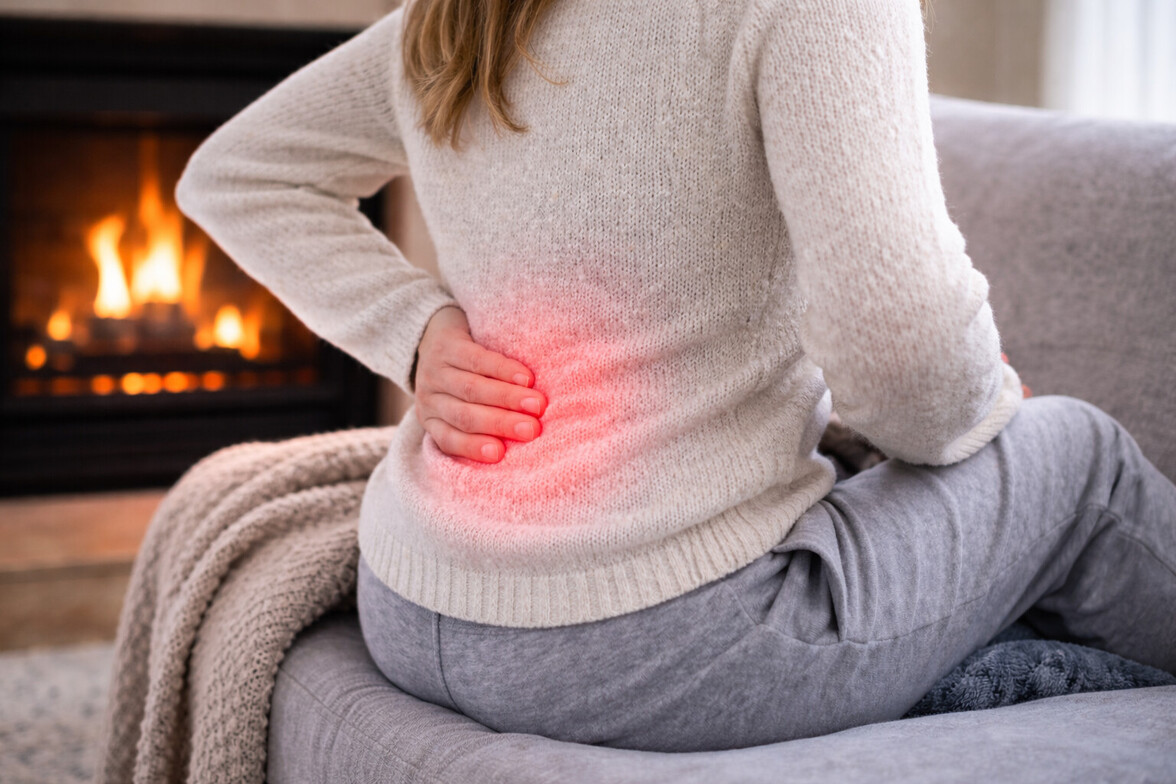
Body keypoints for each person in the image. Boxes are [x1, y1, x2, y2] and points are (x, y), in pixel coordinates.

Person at [175, 0, 1176, 752]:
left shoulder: (463, 11)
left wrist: (417, 328)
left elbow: (238, 168)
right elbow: (904, 355)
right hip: (659, 647)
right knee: (1074, 455)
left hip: (412, 597)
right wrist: (978, 410)